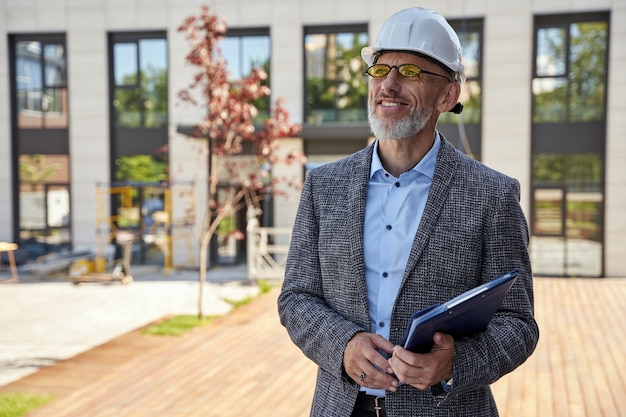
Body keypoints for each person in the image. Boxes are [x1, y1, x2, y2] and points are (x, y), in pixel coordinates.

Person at [278, 6, 539, 417]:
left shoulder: (493, 195)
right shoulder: (323, 187)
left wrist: (455, 363)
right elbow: (296, 298)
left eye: (411, 73)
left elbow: (519, 325)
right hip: (341, 408)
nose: (390, 85)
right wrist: (343, 345)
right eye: (380, 71)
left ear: (448, 95)